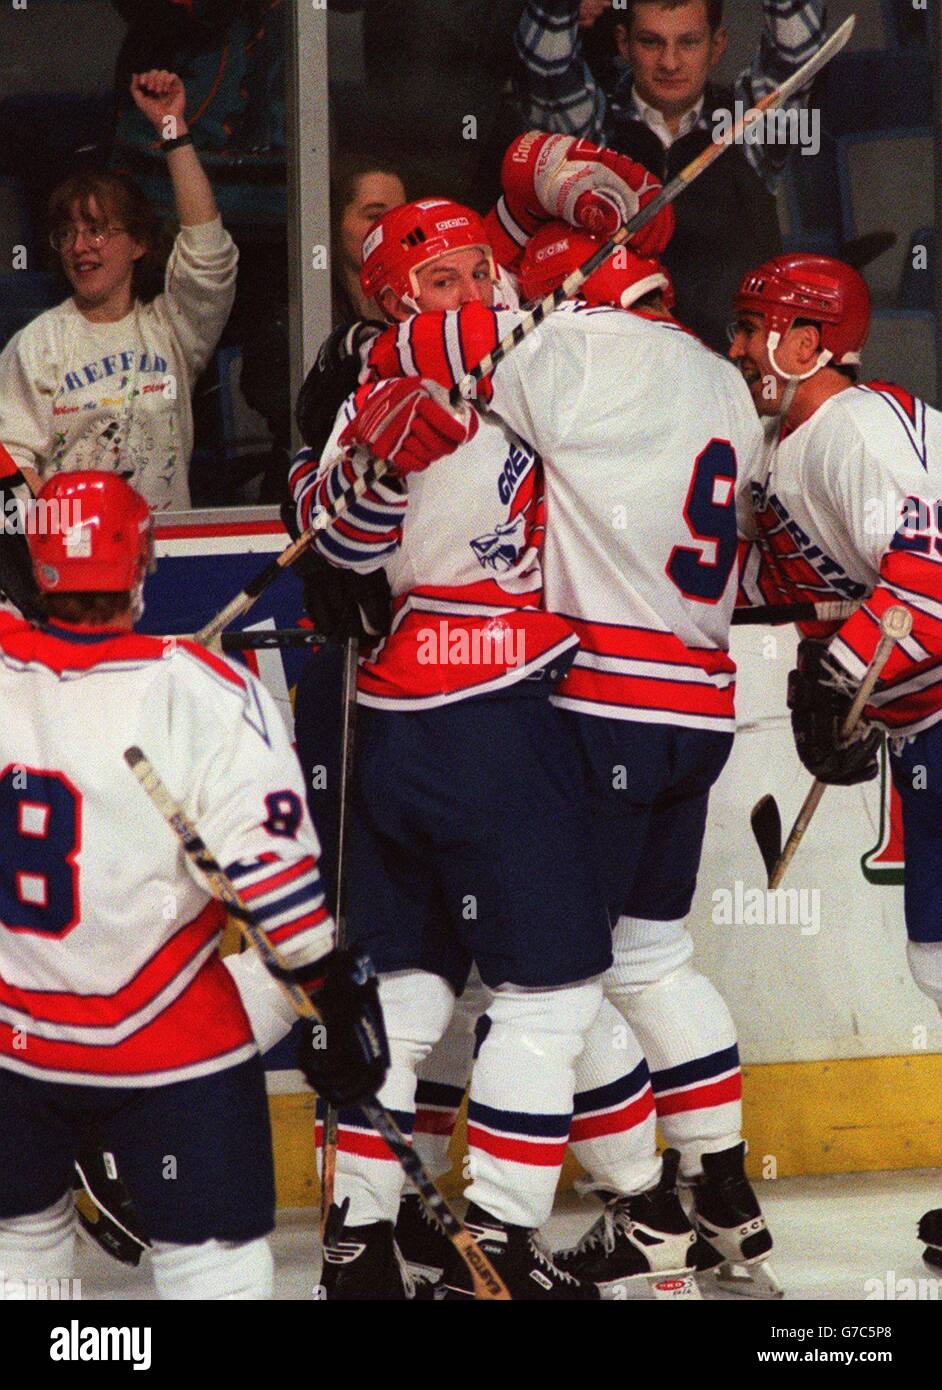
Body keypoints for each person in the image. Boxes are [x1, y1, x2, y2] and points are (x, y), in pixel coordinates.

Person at [356, 179, 780, 1291]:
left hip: (586, 704)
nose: (485, 290)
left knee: (549, 990)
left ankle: (517, 1229)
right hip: (699, 697)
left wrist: (540, 197)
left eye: (498, 276)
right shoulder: (731, 383)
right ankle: (709, 1190)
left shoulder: (566, 353)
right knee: (646, 957)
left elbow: (439, 368)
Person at [291, 170, 681, 1299]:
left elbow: (339, 540)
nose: (470, 294)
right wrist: (370, 468)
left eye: (476, 272)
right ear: (388, 305)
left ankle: (357, 1255)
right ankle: (496, 1250)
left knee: (406, 997)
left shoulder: (456, 375)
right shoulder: (423, 384)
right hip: (494, 719)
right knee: (551, 996)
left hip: (398, 728)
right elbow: (343, 536)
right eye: (438, 281)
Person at [0, 470, 387, 1301]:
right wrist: (330, 996)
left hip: (16, 1052)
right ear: (145, 563)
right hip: (171, 1060)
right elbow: (280, 896)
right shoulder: (203, 692)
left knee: (21, 1252)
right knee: (216, 1270)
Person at [727, 252, 942, 1272]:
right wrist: (838, 683)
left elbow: (930, 576)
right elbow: (807, 600)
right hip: (927, 722)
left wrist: (841, 678)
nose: (737, 345)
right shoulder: (784, 446)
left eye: (753, 324)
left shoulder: (851, 428)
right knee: (935, 958)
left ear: (809, 340)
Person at [514, 0, 827, 350]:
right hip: (611, 369)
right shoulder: (594, 133)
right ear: (623, 43)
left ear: (717, 45)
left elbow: (798, 51)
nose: (670, 62)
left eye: (689, 42)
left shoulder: (747, 129)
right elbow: (544, 67)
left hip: (731, 372)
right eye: (651, 42)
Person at [0, 71, 238, 511]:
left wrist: (173, 129)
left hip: (164, 555)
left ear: (139, 244)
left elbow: (208, 252)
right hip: (73, 563)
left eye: (97, 231)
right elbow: (10, 465)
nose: (79, 247)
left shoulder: (171, 330)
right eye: (66, 234)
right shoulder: (37, 344)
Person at [330, 157, 408, 324]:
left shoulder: (416, 301)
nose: (390, 229)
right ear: (336, 221)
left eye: (399, 217)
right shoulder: (316, 306)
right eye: (374, 216)